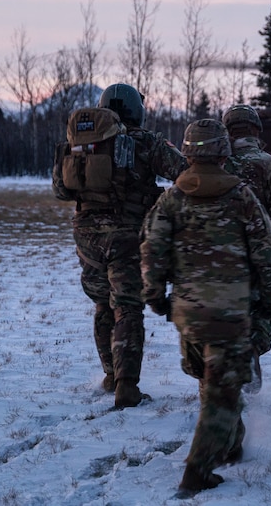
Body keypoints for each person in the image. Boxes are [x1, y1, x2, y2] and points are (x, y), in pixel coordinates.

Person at [140, 119, 271, 495]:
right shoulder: (241, 197)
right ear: (223, 151)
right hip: (230, 313)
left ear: (187, 152)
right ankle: (196, 472)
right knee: (222, 394)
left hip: (187, 314)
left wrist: (156, 297)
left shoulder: (171, 198)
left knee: (217, 383)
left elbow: (151, 249)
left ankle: (232, 447)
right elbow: (266, 255)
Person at [52, 83, 187, 409]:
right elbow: (184, 173)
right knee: (127, 306)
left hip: (86, 236)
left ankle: (112, 375)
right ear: (137, 109)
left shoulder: (81, 142)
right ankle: (127, 386)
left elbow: (60, 189)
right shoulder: (147, 142)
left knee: (102, 305)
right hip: (128, 237)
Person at [222, 103, 271, 388]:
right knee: (268, 301)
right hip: (259, 253)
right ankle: (253, 346)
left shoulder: (215, 162)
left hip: (215, 253)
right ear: (256, 129)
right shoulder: (269, 164)